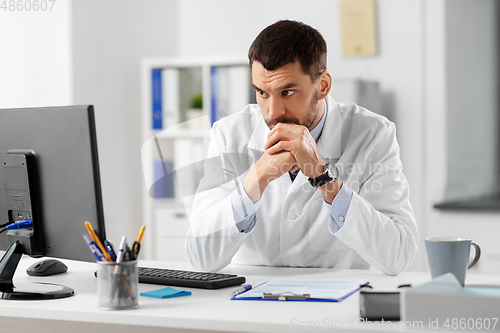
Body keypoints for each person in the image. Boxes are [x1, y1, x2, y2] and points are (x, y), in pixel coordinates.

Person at [186, 20, 417, 275]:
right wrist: (257, 177)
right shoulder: (229, 135)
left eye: (287, 92)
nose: (273, 112)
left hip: (336, 302)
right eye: (262, 93)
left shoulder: (373, 134)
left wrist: (323, 177)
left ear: (324, 85)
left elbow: (399, 255)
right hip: (249, 301)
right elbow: (201, 258)